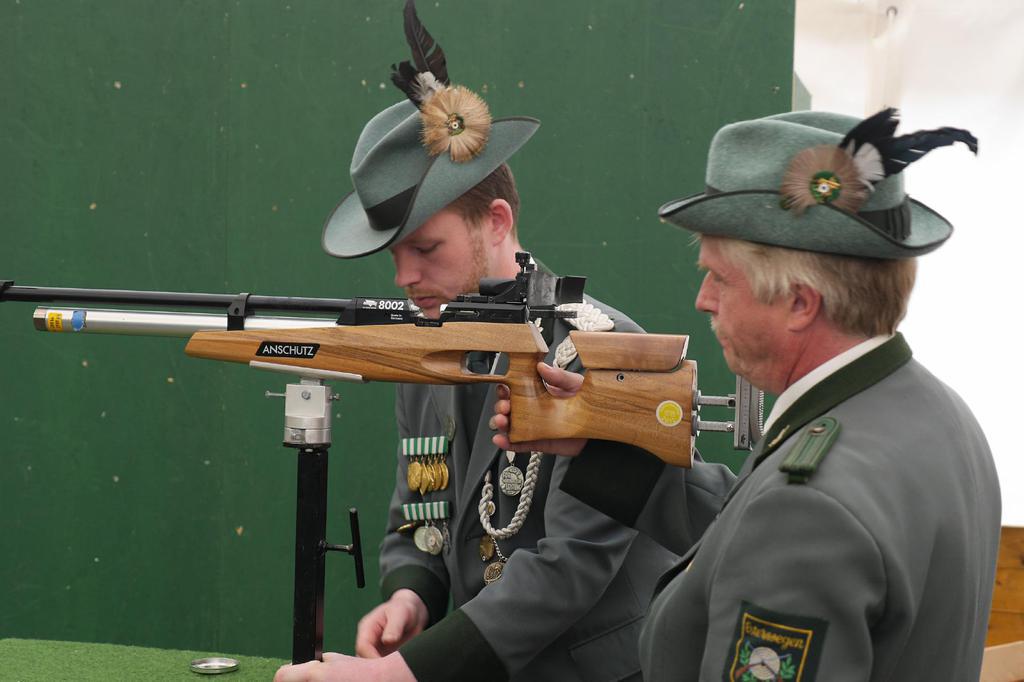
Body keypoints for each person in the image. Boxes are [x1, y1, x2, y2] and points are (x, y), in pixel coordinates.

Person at [275, 3, 732, 681]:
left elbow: (570, 566)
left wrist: (398, 675)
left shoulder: (602, 350)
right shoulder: (428, 345)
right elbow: (424, 503)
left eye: (426, 249)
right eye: (394, 256)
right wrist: (411, 595)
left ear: (495, 221)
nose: (404, 278)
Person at [492, 108, 1001, 680]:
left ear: (800, 302)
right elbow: (748, 526)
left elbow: (786, 526)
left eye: (719, 277)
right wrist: (601, 449)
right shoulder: (935, 412)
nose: (703, 300)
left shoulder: (807, 507)